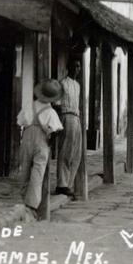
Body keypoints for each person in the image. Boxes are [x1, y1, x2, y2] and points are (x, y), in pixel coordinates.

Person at [17, 79, 64, 218]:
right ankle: (31, 206)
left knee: (24, 168)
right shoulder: (51, 112)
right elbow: (56, 130)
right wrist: (50, 144)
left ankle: (22, 199)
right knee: (38, 172)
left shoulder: (28, 106)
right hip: (42, 140)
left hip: (26, 137)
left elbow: (20, 122)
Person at [56, 60, 82, 199]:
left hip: (76, 117)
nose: (77, 69)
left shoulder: (77, 85)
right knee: (66, 150)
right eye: (74, 66)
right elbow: (56, 103)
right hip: (67, 116)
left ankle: (68, 183)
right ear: (68, 67)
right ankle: (61, 184)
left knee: (76, 152)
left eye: (78, 66)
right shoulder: (62, 83)